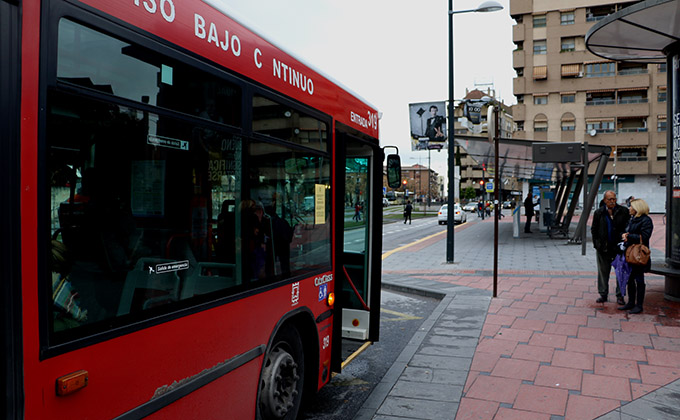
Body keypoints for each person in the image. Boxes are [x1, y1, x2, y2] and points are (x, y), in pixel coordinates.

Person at [591, 191, 630, 304]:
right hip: (603, 248)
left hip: (619, 248)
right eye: (609, 199)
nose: (612, 201)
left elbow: (627, 227)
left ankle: (620, 295)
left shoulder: (623, 211)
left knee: (621, 272)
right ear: (604, 200)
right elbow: (594, 230)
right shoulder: (599, 213)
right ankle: (603, 294)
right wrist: (597, 244)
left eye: (614, 199)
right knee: (603, 272)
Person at [619, 198, 653, 314]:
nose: (629, 209)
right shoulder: (632, 219)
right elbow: (626, 231)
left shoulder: (646, 221)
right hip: (629, 254)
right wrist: (624, 235)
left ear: (637, 208)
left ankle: (639, 305)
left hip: (639, 255)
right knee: (630, 279)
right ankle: (630, 302)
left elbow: (644, 236)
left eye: (631, 207)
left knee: (639, 279)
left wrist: (629, 236)